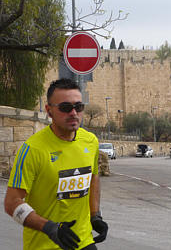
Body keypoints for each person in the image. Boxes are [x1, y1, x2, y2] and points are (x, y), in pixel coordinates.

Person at [4, 78, 108, 250]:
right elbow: (11, 202)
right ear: (49, 111)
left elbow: (93, 177)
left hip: (83, 241)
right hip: (44, 244)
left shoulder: (90, 141)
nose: (73, 113)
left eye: (79, 107)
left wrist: (95, 215)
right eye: (65, 108)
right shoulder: (32, 149)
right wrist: (49, 228)